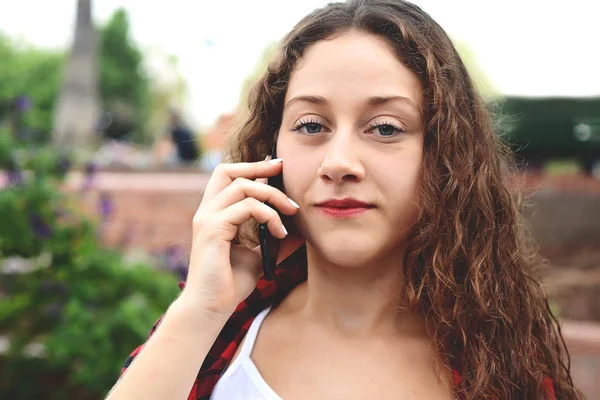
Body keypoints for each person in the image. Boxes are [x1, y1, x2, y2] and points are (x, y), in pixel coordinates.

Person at [106, 1, 582, 399]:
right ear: (271, 151)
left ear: (444, 156)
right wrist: (201, 309)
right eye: (311, 126)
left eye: (385, 128)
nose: (339, 162)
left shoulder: (499, 367)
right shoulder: (217, 338)